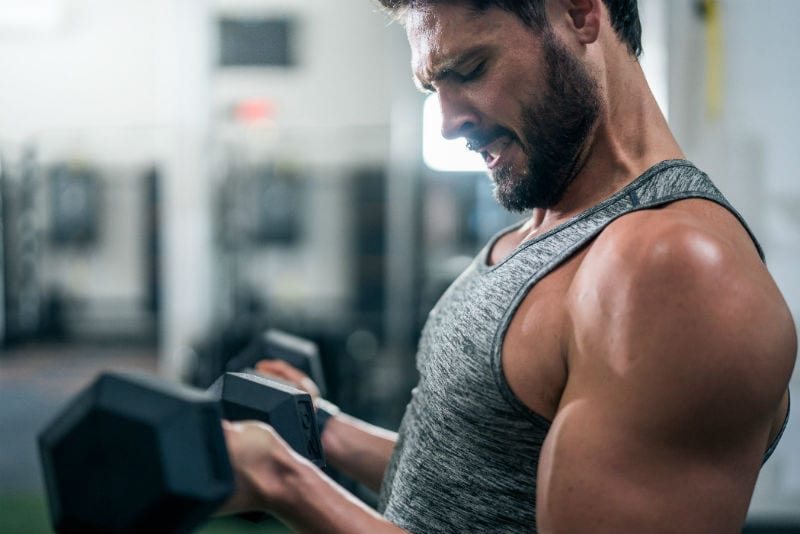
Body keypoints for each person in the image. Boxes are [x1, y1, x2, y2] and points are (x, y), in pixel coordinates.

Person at [219, 1, 797, 532]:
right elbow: (474, 475)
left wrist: (283, 481)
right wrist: (325, 429)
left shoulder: (674, 272)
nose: (447, 123)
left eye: (469, 70)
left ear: (577, 13)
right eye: (433, 88)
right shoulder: (544, 225)